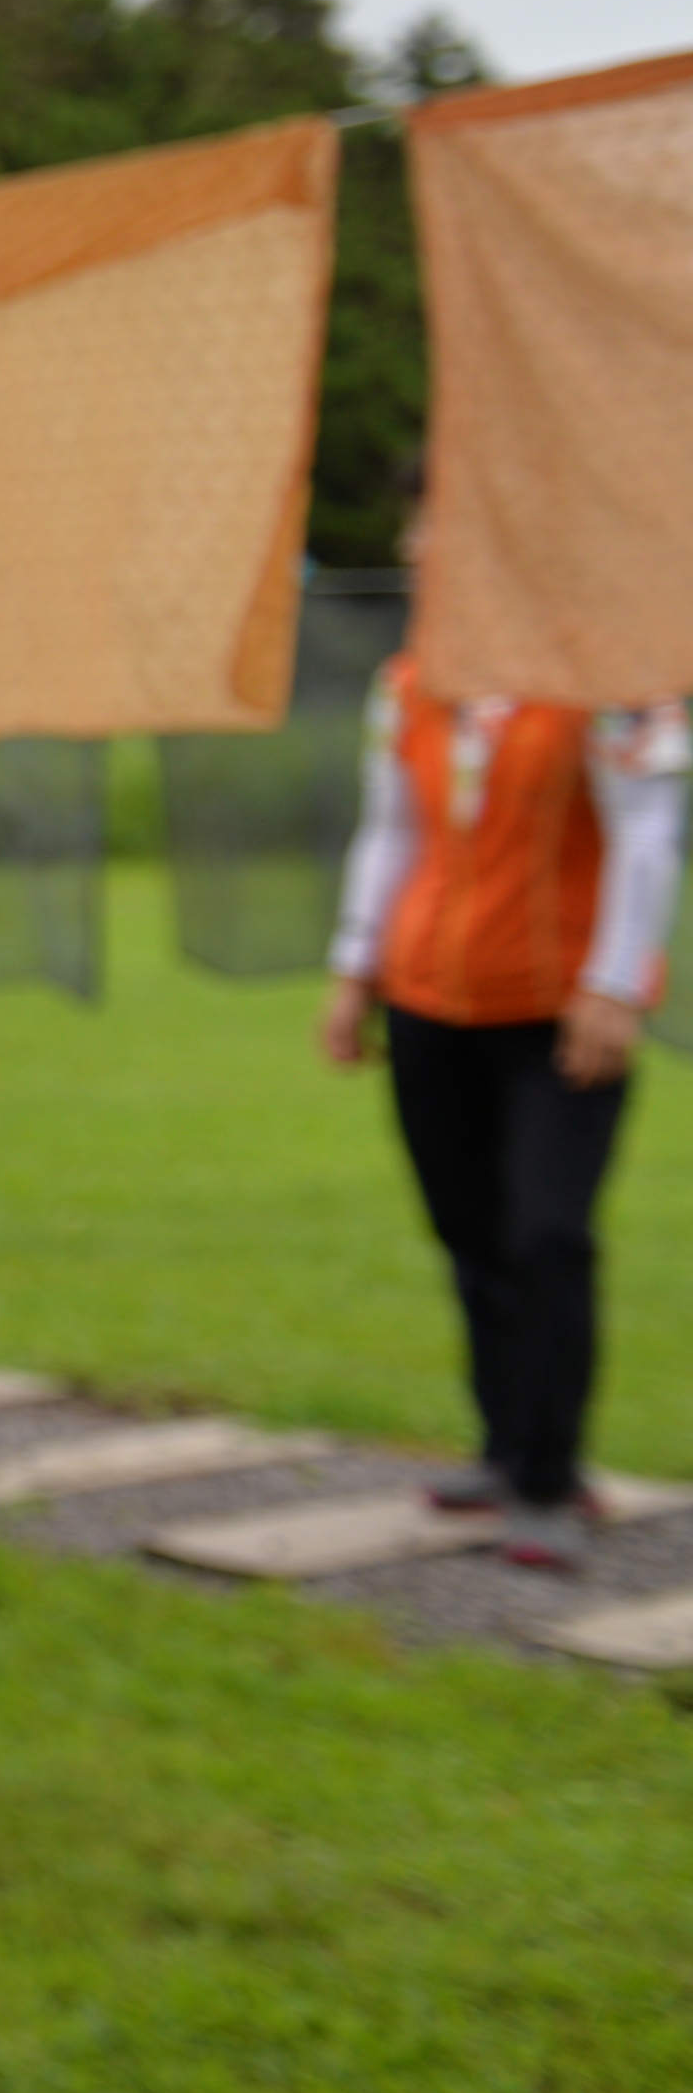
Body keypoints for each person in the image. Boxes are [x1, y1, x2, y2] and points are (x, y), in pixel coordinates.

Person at [319, 654, 686, 1572]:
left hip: (560, 1010)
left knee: (548, 1234)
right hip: (427, 1002)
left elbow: (648, 833)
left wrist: (615, 985)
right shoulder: (410, 685)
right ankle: (503, 1448)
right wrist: (355, 966)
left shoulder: (618, 680)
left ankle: (550, 1482)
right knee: (470, 1230)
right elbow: (390, 829)